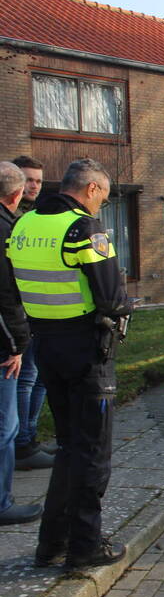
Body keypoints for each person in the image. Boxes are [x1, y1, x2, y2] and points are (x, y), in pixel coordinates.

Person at [8, 158, 132, 567]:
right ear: (92, 189)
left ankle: (52, 543)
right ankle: (86, 546)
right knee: (92, 451)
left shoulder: (24, 224)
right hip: (86, 351)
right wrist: (125, 305)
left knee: (67, 447)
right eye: (103, 198)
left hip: (46, 345)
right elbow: (111, 299)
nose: (101, 206)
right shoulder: (84, 229)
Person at [0, 162, 42, 526]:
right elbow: (5, 296)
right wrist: (15, 345)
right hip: (4, 345)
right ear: (15, 194)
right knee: (5, 426)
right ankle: (1, 503)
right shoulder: (5, 230)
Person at [10, 156, 53, 471]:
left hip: (39, 312)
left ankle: (30, 437)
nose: (33, 186)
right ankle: (22, 445)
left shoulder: (34, 216)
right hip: (18, 315)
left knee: (38, 377)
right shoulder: (11, 220)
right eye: (28, 180)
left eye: (38, 181)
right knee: (26, 378)